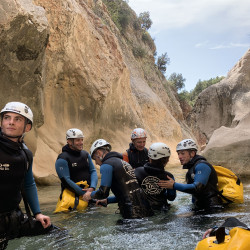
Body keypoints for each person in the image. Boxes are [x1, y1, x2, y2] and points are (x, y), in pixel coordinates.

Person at [0, 102, 52, 249]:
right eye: (7, 117)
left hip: (13, 217)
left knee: (54, 231)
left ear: (27, 127)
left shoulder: (26, 154)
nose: (10, 122)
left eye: (17, 119)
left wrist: (38, 213)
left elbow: (29, 184)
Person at [82, 139, 153, 219]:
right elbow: (128, 193)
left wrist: (89, 195)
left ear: (98, 153)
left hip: (132, 214)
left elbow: (103, 193)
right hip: (147, 211)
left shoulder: (106, 165)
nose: (96, 163)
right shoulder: (124, 163)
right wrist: (108, 200)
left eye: (95, 158)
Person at [158, 139, 222, 210]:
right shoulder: (191, 168)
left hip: (212, 207)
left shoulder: (202, 166)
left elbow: (197, 188)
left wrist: (174, 185)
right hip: (200, 206)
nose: (179, 157)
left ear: (192, 153)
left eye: (182, 153)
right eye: (178, 153)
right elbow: (194, 195)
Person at [55, 128, 98, 207]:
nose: (81, 143)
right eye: (78, 140)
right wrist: (84, 194)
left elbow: (93, 171)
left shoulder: (85, 154)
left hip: (88, 195)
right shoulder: (62, 159)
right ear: (69, 141)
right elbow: (66, 181)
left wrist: (92, 188)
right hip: (72, 198)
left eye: (82, 140)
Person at [135, 142, 176, 211]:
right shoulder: (169, 177)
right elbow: (171, 197)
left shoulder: (137, 171)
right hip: (162, 210)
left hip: (142, 210)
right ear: (167, 160)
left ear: (149, 158)